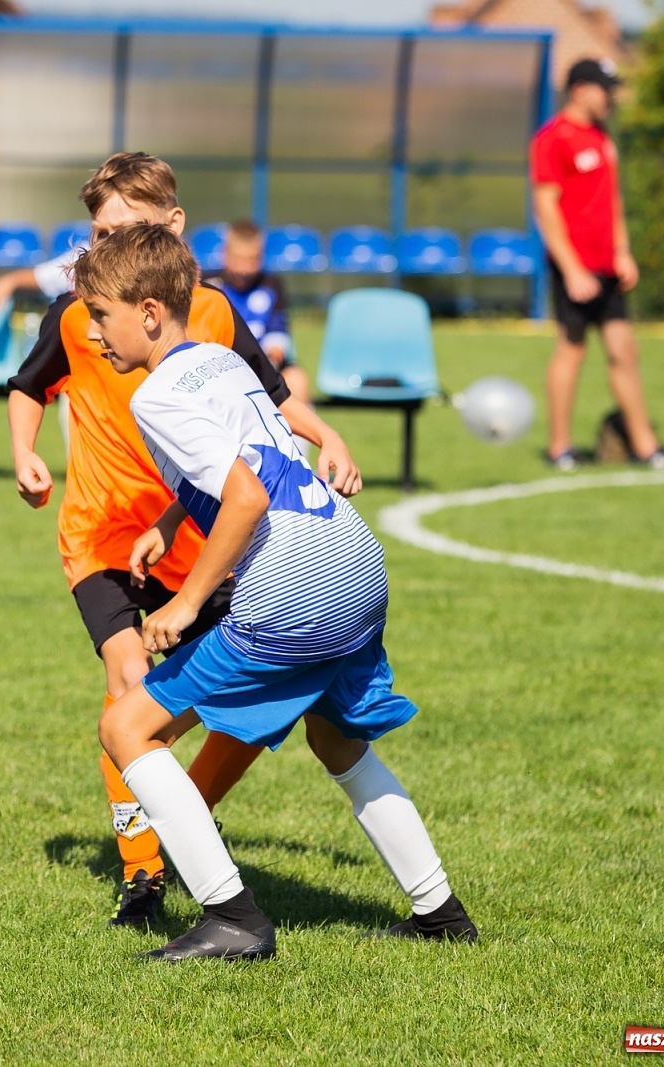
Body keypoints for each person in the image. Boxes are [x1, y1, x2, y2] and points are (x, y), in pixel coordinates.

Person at [74, 223, 476, 962]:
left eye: (101, 314)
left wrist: (186, 601)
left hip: (290, 585)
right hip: (353, 560)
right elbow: (259, 451)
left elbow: (246, 495)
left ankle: (232, 918)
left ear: (151, 313)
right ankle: (440, 911)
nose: (93, 331)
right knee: (335, 735)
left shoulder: (155, 395)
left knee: (128, 728)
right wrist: (170, 520)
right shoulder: (221, 360)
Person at [5, 152, 363, 929]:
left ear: (171, 230)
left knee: (240, 694)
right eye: (97, 233)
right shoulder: (78, 316)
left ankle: (184, 813)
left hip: (195, 535)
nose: (103, 249)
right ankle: (141, 875)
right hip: (101, 531)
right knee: (128, 681)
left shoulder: (216, 314)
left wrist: (326, 431)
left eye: (122, 231)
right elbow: (29, 384)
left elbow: (270, 398)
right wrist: (24, 452)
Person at [531, 58, 664, 472]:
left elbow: (611, 201)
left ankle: (646, 445)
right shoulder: (552, 138)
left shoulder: (601, 136)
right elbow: (546, 208)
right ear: (579, 88)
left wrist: (623, 250)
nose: (610, 97)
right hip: (574, 267)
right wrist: (572, 268)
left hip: (607, 266)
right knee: (571, 348)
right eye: (604, 88)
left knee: (624, 350)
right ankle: (560, 447)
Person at [207, 219, 310, 408]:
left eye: (252, 261)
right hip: (216, 367)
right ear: (225, 255)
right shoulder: (208, 285)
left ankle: (294, 439)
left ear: (261, 256)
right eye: (238, 260)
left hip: (262, 366)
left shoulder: (271, 285)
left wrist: (273, 355)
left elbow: (278, 329)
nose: (244, 269)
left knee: (297, 379)